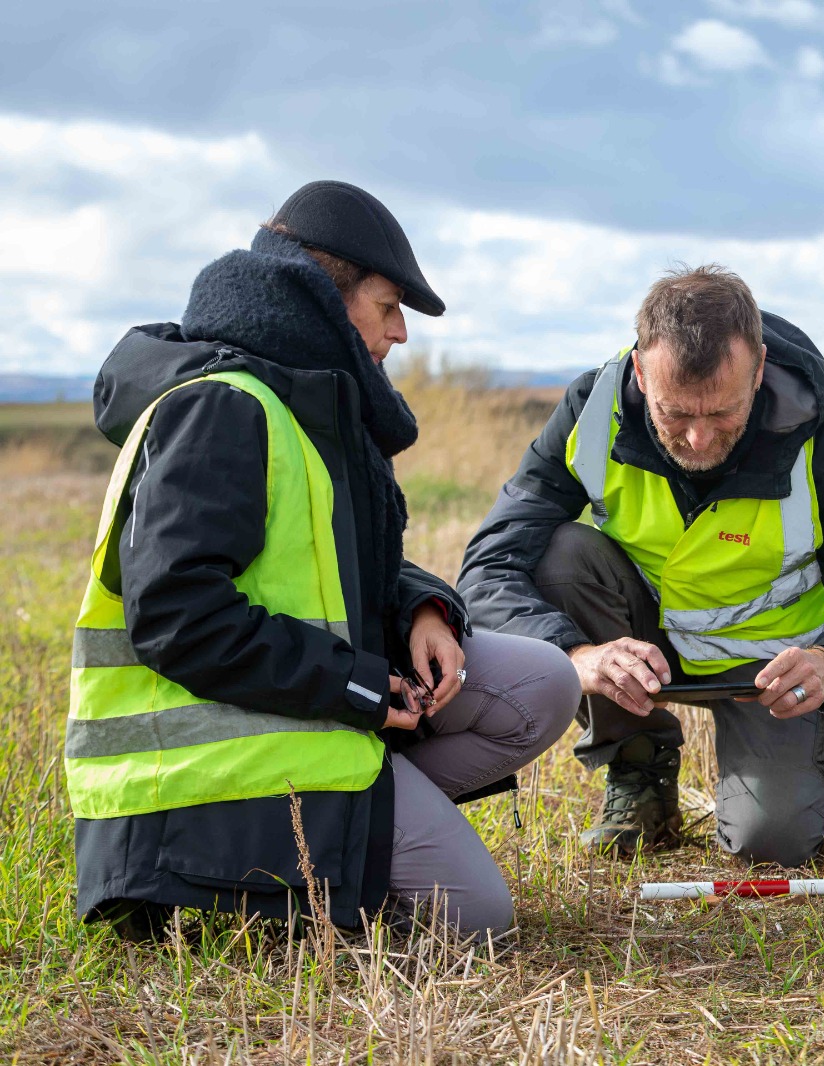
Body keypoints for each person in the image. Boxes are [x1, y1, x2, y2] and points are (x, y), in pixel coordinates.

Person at [68, 180, 580, 941]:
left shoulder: (300, 401)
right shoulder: (223, 407)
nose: (401, 332)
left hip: (299, 721)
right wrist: (360, 685)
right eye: (388, 305)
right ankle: (230, 892)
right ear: (320, 293)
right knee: (477, 922)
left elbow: (327, 560)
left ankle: (371, 824)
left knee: (544, 681)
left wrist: (422, 609)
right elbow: (178, 618)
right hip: (193, 800)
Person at [458, 264, 824, 866]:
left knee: (769, 843)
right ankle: (638, 771)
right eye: (676, 415)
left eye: (722, 414)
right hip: (644, 650)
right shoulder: (590, 412)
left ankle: (811, 754)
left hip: (772, 674)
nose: (699, 439)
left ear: (759, 369)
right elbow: (490, 564)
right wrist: (578, 657)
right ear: (641, 374)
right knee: (560, 553)